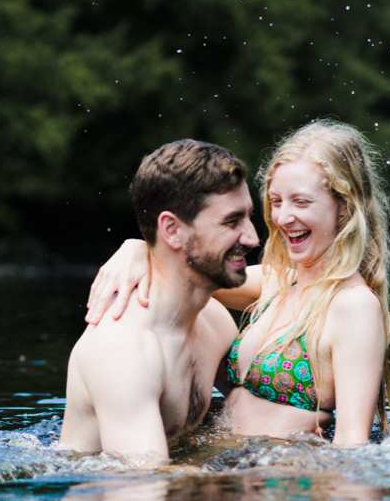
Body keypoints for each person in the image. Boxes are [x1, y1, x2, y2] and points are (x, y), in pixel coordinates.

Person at [87, 119, 390, 447]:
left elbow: (352, 443)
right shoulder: (281, 283)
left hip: (290, 481)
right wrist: (137, 248)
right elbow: (189, 274)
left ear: (345, 206)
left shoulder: (353, 305)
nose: (283, 217)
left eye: (301, 202)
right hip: (234, 474)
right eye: (276, 201)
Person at [60, 140, 258, 465]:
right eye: (231, 221)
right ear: (172, 230)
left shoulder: (214, 320)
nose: (252, 237)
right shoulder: (124, 349)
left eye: (249, 217)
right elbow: (145, 486)